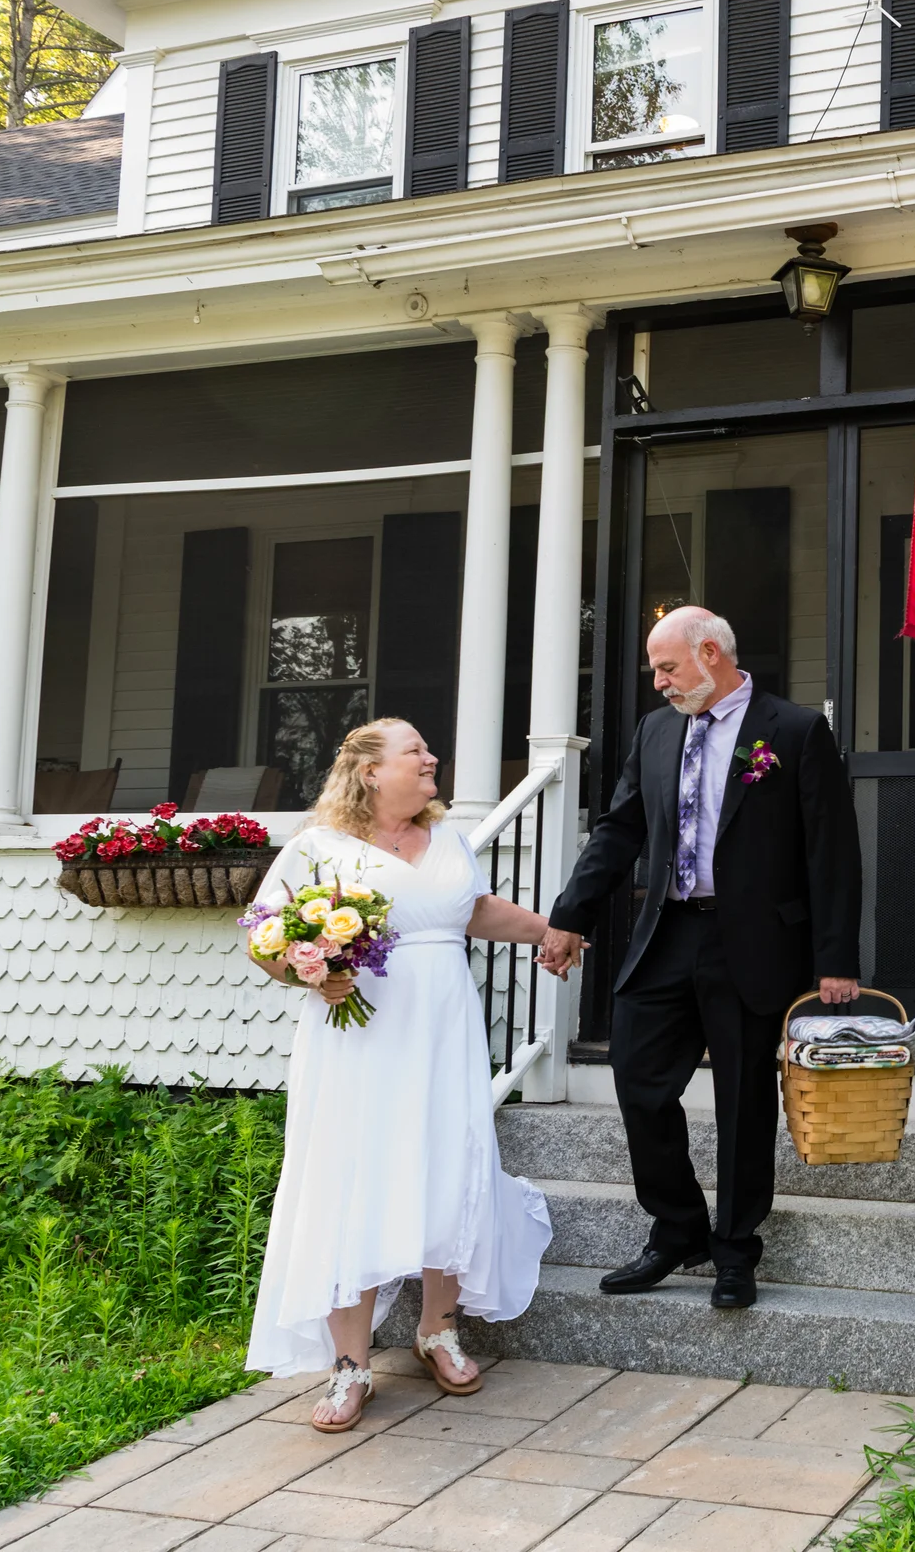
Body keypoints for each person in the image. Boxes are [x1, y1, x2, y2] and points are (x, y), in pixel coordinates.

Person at [539, 606, 860, 1311]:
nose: (658, 682)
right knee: (638, 1075)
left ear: (711, 653)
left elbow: (831, 851)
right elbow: (618, 830)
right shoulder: (657, 730)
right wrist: (568, 916)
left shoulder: (794, 730)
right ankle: (677, 1225)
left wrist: (835, 959)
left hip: (753, 941)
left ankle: (736, 1248)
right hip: (669, 931)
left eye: (667, 667)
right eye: (656, 670)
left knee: (744, 1099)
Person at [243, 718, 558, 1433]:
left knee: (451, 1163)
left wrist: (553, 929)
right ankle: (350, 1363)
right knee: (351, 1174)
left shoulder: (447, 838)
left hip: (445, 1033)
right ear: (369, 772)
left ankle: (437, 1329)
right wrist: (307, 971)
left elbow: (473, 910)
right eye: (415, 751)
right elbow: (264, 935)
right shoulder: (318, 847)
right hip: (359, 1041)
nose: (431, 758)